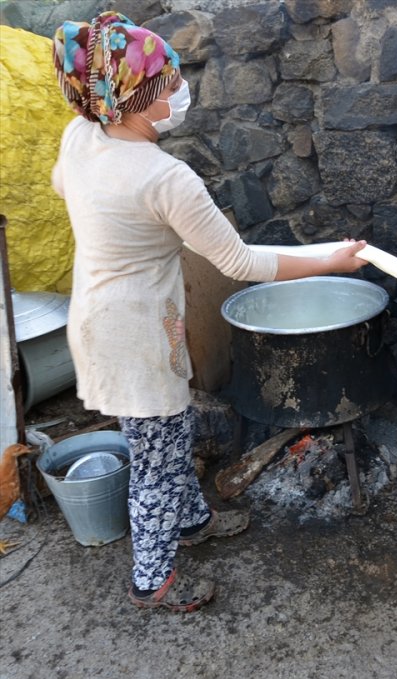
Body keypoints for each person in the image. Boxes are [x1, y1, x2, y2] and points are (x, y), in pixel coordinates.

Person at [51, 12, 368, 612]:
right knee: (155, 458)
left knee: (165, 436)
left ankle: (192, 522)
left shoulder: (83, 136)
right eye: (168, 84)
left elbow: (61, 183)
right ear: (141, 99)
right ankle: (153, 581)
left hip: (97, 319)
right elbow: (242, 263)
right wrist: (332, 260)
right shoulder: (166, 178)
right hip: (137, 337)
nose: (179, 91)